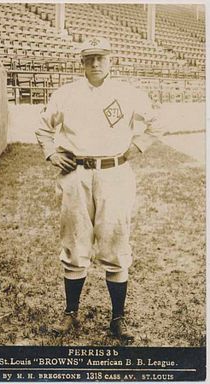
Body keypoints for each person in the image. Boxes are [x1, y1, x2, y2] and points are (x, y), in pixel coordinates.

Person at [35, 37, 162, 341]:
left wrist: (137, 146)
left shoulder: (128, 93)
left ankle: (118, 318)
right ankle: (70, 313)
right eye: (89, 58)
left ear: (110, 60)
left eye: (101, 58)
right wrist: (52, 153)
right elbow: (43, 127)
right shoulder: (65, 94)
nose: (95, 64)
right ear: (81, 62)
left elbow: (156, 122)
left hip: (115, 173)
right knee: (74, 243)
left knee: (116, 243)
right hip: (76, 174)